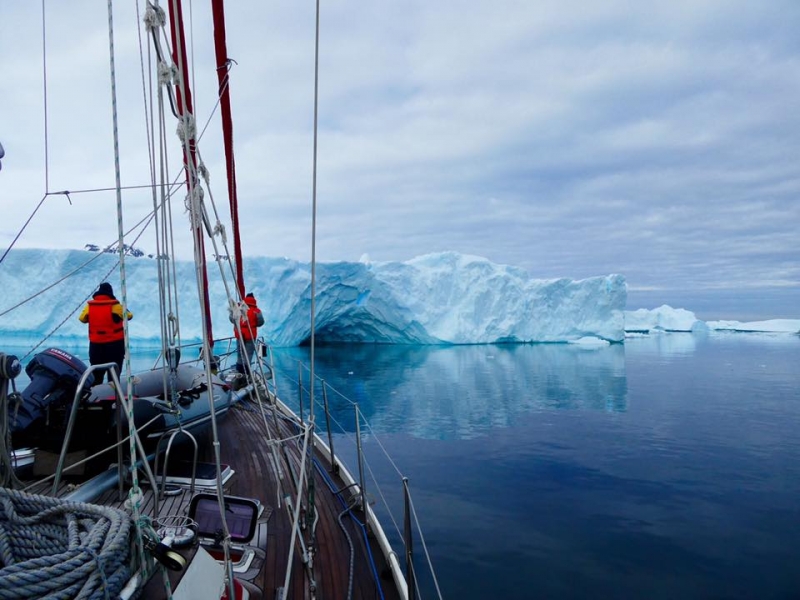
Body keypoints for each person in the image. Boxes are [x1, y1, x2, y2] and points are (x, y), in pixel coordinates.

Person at [78, 282, 133, 383]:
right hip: (114, 346)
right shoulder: (116, 306)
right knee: (113, 375)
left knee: (97, 374)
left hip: (96, 346)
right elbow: (129, 316)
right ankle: (113, 395)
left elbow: (82, 319)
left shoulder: (90, 306)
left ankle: (96, 395)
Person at [230, 292, 264, 375]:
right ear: (254, 299)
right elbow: (261, 322)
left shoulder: (239, 308)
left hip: (240, 335)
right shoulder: (257, 311)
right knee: (248, 355)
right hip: (250, 336)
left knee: (240, 354)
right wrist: (253, 324)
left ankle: (239, 371)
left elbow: (232, 319)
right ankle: (246, 373)